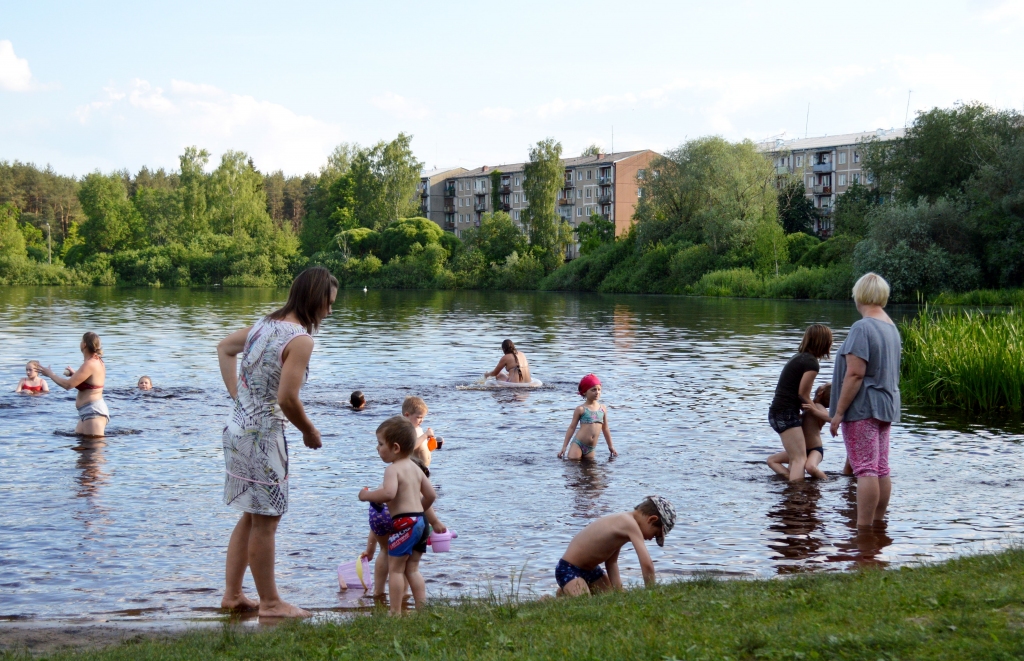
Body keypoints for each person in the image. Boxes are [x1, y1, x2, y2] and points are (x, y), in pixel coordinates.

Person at [217, 266, 338, 618]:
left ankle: (233, 595)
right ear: (314, 299)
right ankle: (270, 604)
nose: (329, 312)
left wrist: (239, 398)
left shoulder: (263, 325)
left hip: (237, 429)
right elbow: (287, 398)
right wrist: (309, 431)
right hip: (264, 436)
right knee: (267, 520)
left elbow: (225, 348)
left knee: (250, 517)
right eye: (328, 304)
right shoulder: (300, 340)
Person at [830, 272, 901, 529]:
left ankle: (863, 530)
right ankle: (877, 528)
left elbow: (856, 373)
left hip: (863, 407)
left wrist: (838, 413)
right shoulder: (890, 326)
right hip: (887, 405)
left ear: (859, 295)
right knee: (881, 467)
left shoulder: (862, 327)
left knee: (865, 469)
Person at [358, 416, 437, 616]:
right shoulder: (416, 469)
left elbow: (388, 494)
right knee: (412, 570)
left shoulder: (392, 469)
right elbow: (431, 495)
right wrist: (419, 511)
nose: (377, 448)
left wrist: (367, 496)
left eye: (380, 443)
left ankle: (394, 612)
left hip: (405, 523)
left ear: (395, 448)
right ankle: (422, 609)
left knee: (395, 570)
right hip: (421, 522)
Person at [361, 457, 447, 601]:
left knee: (384, 550)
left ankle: (378, 592)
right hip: (405, 520)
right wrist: (435, 522)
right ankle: (404, 594)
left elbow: (375, 523)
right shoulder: (414, 483)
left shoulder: (391, 478)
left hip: (378, 512)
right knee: (406, 564)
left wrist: (370, 550)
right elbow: (426, 506)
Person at [556, 495, 675, 597]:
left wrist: (619, 592)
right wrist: (651, 592)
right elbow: (647, 564)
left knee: (608, 599)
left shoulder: (624, 528)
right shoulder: (628, 523)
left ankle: (565, 590)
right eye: (655, 534)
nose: (650, 539)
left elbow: (611, 562)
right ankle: (554, 598)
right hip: (569, 568)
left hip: (592, 570)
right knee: (585, 603)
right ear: (651, 519)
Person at [766, 324, 833, 482]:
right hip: (785, 412)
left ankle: (792, 484)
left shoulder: (799, 357)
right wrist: (811, 408)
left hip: (778, 412)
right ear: (823, 343)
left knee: (795, 458)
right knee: (799, 459)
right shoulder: (811, 363)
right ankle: (796, 498)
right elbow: (803, 394)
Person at [39, 333, 108, 436]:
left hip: (93, 412)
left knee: (93, 449)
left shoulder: (90, 363)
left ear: (84, 344)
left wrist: (50, 374)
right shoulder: (95, 361)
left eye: (81, 341)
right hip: (87, 412)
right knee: (81, 449)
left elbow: (68, 385)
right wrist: (75, 374)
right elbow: (90, 382)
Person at [768, 384, 831, 480]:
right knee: (771, 460)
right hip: (800, 450)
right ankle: (791, 478)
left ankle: (827, 481)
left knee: (810, 467)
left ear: (820, 393)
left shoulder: (818, 407)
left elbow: (829, 418)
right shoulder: (808, 407)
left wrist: (813, 410)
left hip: (815, 450)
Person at [559, 374, 618, 459]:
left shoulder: (603, 409)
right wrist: (564, 447)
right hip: (578, 444)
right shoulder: (581, 409)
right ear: (584, 392)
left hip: (591, 448)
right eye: (593, 390)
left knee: (590, 470)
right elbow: (572, 428)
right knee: (573, 465)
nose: (597, 392)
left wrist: (611, 446)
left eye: (599, 389)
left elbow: (605, 428)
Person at [402, 396, 435, 468]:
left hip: (425, 468)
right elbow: (410, 447)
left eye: (423, 417)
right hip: (415, 468)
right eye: (418, 417)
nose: (421, 420)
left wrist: (434, 443)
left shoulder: (419, 429)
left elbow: (422, 446)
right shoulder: (407, 430)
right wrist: (425, 435)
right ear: (407, 415)